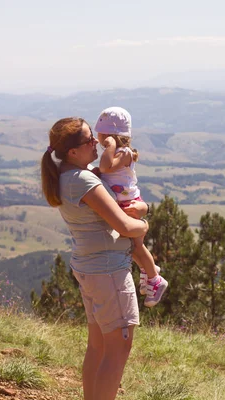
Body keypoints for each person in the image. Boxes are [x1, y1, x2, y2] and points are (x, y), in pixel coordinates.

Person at [41, 117, 148, 400]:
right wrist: (144, 224)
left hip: (90, 269)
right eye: (89, 140)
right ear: (73, 151)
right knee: (118, 350)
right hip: (109, 271)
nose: (96, 143)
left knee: (98, 347)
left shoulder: (65, 176)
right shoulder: (84, 180)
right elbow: (124, 226)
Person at [94, 106, 168, 307]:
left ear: (110, 135)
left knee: (136, 246)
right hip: (125, 203)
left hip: (129, 205)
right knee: (132, 247)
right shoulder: (117, 153)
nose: (97, 137)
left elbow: (104, 167)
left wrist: (109, 147)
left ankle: (155, 279)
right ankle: (148, 270)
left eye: (100, 133)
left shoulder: (123, 153)